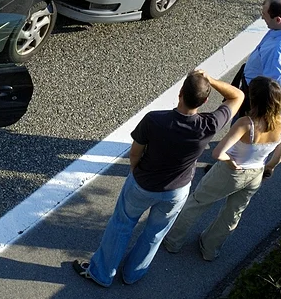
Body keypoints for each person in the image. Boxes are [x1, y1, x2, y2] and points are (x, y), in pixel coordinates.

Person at [72, 70, 244, 287]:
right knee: (155, 232)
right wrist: (209, 80)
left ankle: (102, 273)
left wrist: (135, 171)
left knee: (121, 225)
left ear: (180, 93)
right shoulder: (209, 124)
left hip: (143, 184)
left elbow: (135, 152)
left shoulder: (155, 119)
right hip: (176, 191)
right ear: (206, 100)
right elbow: (238, 96)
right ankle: (133, 274)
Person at [162, 76, 281, 260]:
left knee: (198, 202)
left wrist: (231, 163)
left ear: (253, 99)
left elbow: (218, 153)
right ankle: (209, 249)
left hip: (232, 172)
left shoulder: (246, 124)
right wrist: (267, 169)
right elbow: (280, 155)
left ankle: (173, 242)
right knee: (233, 214)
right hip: (256, 173)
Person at [234, 0, 281, 118]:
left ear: (278, 20)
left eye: (265, 15)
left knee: (240, 128)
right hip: (251, 85)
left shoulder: (278, 51)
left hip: (253, 97)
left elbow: (274, 87)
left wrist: (257, 112)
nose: (262, 17)